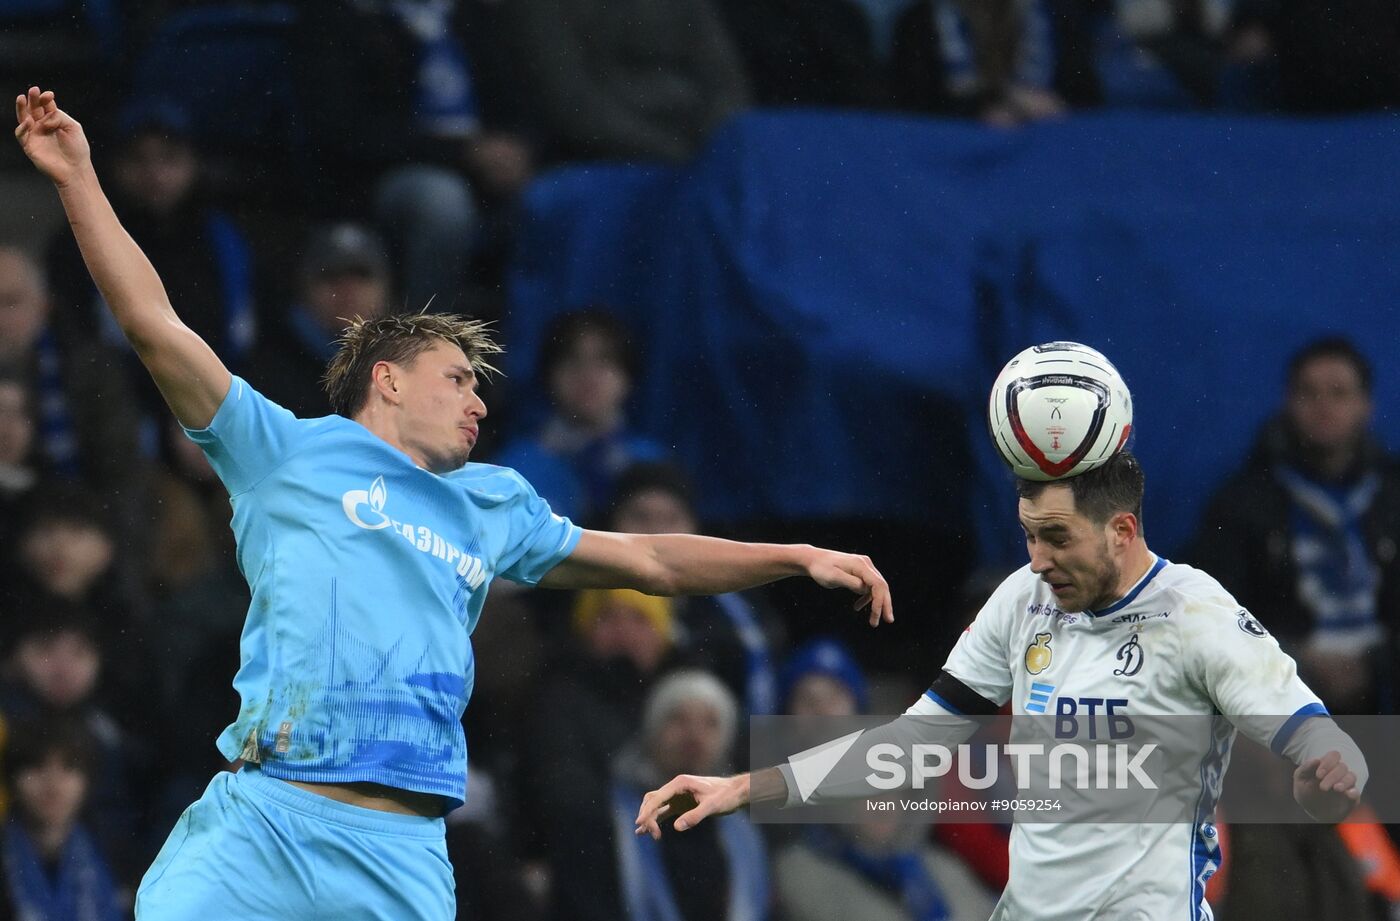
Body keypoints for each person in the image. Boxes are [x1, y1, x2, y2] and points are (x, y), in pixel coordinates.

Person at [15, 86, 892, 921]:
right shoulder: (282, 449)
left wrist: (792, 556)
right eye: (459, 379)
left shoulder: (493, 503)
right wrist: (79, 177)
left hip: (402, 846)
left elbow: (653, 558)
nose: (480, 402)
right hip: (265, 817)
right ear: (387, 381)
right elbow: (152, 323)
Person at [636, 451, 1368, 920]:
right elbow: (908, 746)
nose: (1037, 557)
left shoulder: (1195, 608)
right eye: (1028, 534)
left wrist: (1326, 765)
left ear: (1119, 530)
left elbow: (1314, 731)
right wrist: (743, 786)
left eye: (1056, 537)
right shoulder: (1023, 601)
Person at [1192, 337, 1400, 714]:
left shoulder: (1392, 494)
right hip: (1281, 696)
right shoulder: (1243, 500)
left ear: (1365, 406)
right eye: (1309, 393)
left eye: (1338, 392)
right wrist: (1295, 658)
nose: (1323, 406)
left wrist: (1375, 664)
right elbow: (1213, 613)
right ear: (1289, 402)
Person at [0, 717, 124, 921]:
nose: (53, 785)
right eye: (37, 767)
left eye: (68, 767)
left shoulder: (115, 857)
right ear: (13, 778)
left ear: (88, 780)